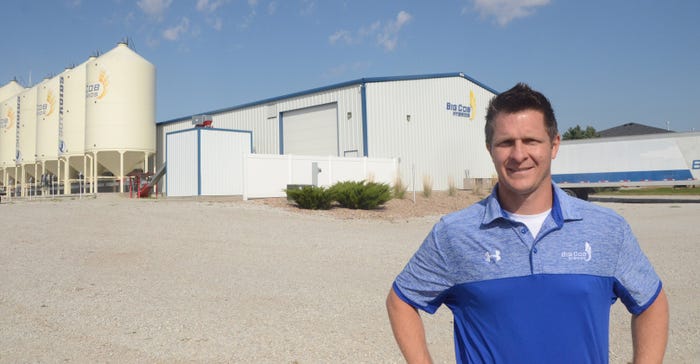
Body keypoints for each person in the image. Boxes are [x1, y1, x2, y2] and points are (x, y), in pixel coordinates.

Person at [386, 83, 669, 363]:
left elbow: (651, 304)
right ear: (490, 149)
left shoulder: (606, 228)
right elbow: (401, 301)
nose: (519, 155)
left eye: (531, 141)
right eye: (506, 143)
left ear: (554, 145)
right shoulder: (455, 233)